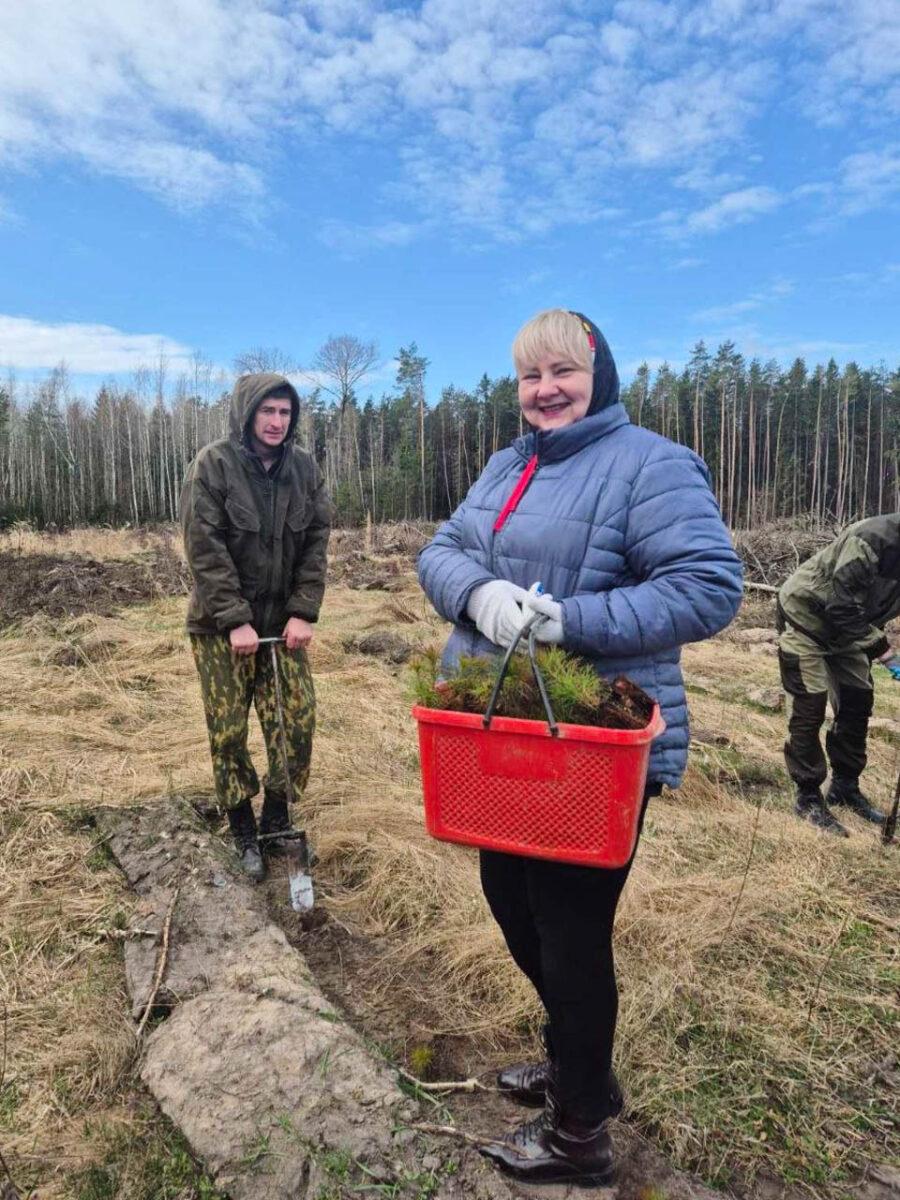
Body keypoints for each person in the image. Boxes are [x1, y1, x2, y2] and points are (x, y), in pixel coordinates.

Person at [417, 309, 742, 1186]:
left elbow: (709, 587)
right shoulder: (505, 464)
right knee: (508, 895)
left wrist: (569, 619)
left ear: (600, 373)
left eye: (561, 370)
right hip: (506, 732)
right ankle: (576, 1065)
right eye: (529, 376)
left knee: (569, 932)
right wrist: (476, 593)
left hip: (592, 747)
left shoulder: (652, 463)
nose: (544, 389)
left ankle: (580, 1136)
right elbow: (440, 548)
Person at [181, 372, 332, 880]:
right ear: (247, 413)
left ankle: (276, 818)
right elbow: (205, 547)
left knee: (298, 725)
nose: (276, 422)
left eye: (285, 413)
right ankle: (242, 825)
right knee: (227, 733)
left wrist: (303, 610)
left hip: (284, 629)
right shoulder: (214, 465)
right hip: (223, 630)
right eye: (267, 411)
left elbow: (315, 544)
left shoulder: (305, 471)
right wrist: (235, 620)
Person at [777, 514, 900, 835]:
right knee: (810, 703)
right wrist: (886, 654)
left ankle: (845, 786)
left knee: (858, 700)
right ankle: (807, 795)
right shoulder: (873, 539)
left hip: (850, 631)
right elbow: (842, 604)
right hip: (807, 616)